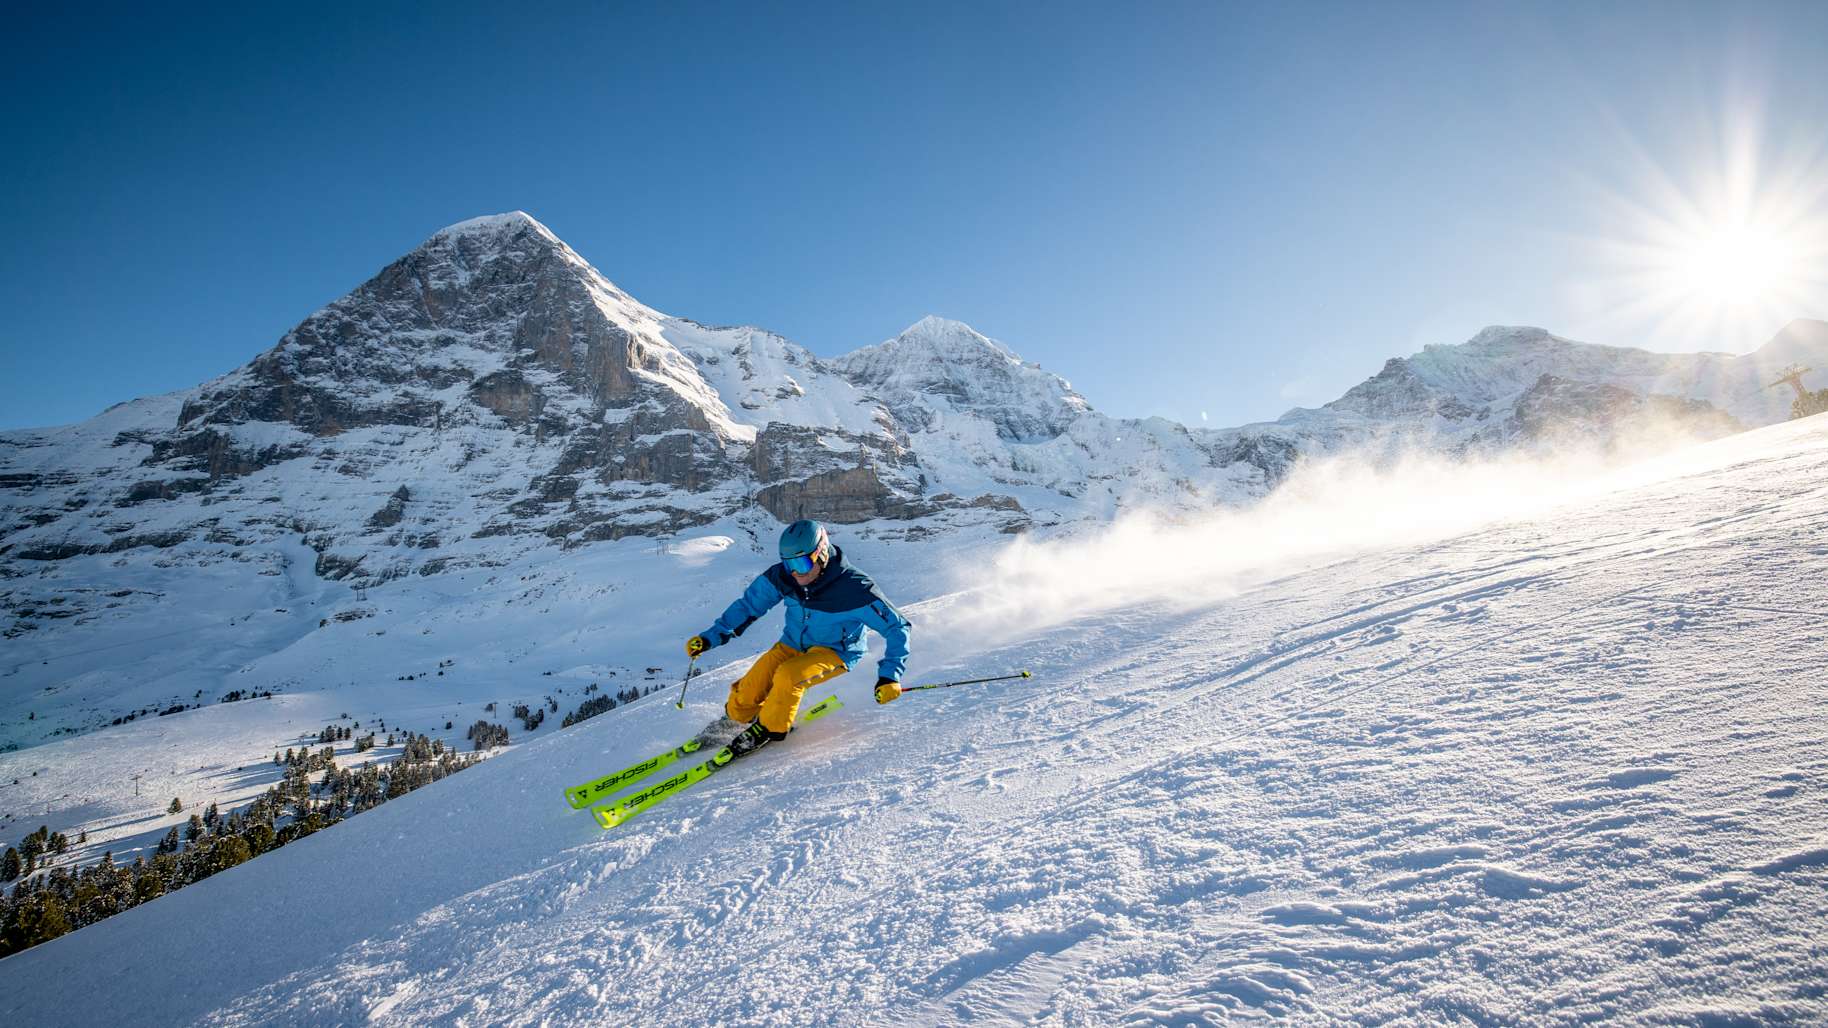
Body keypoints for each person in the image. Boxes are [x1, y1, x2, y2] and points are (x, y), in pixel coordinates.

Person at [685, 519, 911, 758]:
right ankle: (734, 719)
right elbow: (749, 606)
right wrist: (710, 638)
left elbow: (898, 628)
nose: (795, 572)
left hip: (834, 651)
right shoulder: (783, 577)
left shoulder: (855, 589)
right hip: (792, 644)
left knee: (789, 676)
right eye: (788, 564)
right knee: (754, 682)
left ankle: (770, 728)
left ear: (821, 554)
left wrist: (890, 676)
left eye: (801, 563)